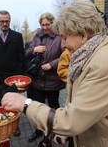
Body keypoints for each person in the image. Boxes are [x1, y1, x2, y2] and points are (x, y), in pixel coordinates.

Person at [1, 0, 108, 147]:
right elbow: (77, 102)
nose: (63, 43)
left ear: (83, 34)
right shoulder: (87, 54)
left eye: (65, 37)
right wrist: (65, 130)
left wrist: (25, 103)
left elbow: (72, 121)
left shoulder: (103, 63)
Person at [25, 12, 65, 142]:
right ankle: (39, 131)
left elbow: (66, 56)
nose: (45, 27)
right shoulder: (37, 36)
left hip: (53, 81)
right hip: (38, 81)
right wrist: (34, 49)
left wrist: (52, 64)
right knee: (37, 108)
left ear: (52, 23)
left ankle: (56, 131)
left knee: (54, 107)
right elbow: (27, 54)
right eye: (42, 24)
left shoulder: (60, 37)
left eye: (47, 24)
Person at [0, 10, 25, 88]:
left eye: (7, 21)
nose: (5, 24)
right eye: (2, 21)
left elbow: (21, 58)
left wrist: (19, 76)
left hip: (13, 78)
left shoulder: (17, 36)